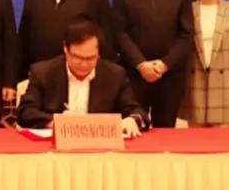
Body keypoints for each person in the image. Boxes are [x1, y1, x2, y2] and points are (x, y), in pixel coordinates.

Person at [112, 0, 194, 128]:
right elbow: (118, 32)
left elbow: (186, 35)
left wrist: (165, 64)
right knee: (133, 128)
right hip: (134, 74)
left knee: (165, 131)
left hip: (169, 76)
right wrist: (141, 64)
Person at [16, 19, 146, 136]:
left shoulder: (115, 75)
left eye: (90, 58)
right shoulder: (43, 72)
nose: (84, 64)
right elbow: (25, 112)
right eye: (77, 57)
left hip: (101, 146)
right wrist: (57, 122)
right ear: (65, 48)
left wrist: (132, 120)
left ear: (99, 53)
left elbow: (136, 111)